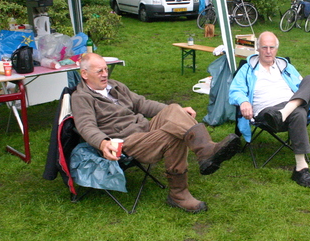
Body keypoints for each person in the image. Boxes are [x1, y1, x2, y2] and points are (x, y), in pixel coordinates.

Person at [71, 53, 241, 213]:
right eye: (99, 71)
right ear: (84, 74)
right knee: (172, 135)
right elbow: (86, 126)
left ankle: (206, 151)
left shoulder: (115, 86)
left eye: (106, 69)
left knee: (173, 109)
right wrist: (103, 142)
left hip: (145, 128)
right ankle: (179, 194)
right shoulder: (81, 97)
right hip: (127, 141)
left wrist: (178, 112)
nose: (105, 74)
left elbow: (142, 104)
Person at [229, 31, 310, 187]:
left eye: (272, 47)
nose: (268, 51)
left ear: (277, 49)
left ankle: (286, 113)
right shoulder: (248, 69)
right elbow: (235, 90)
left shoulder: (285, 66)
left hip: (287, 105)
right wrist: (243, 102)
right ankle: (301, 169)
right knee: (299, 112)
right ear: (258, 48)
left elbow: (301, 84)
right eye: (264, 47)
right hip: (267, 113)